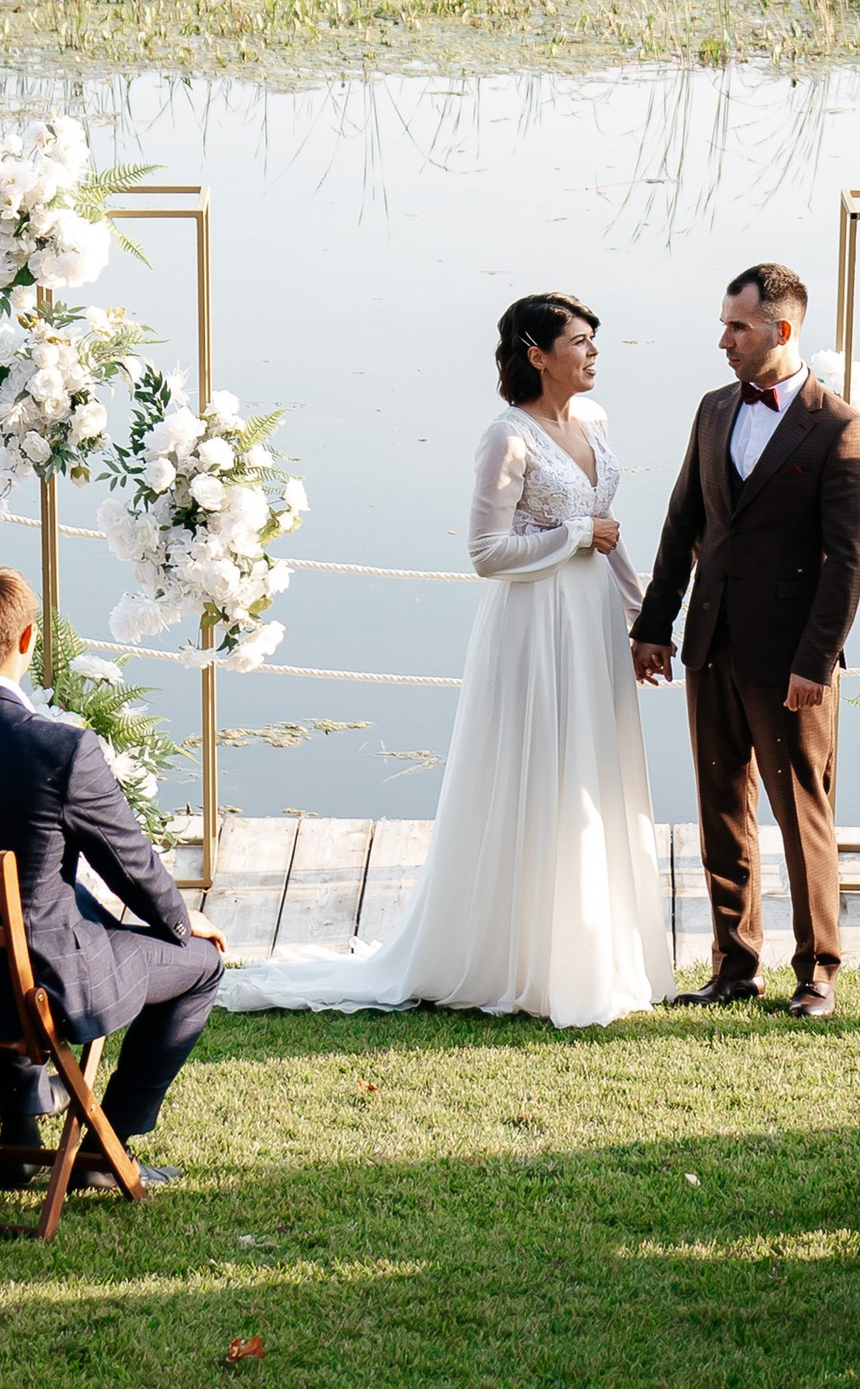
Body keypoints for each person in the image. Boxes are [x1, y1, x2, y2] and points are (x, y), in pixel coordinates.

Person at [237, 293, 674, 1027]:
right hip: (536, 627)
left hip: (593, 619)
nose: (594, 353)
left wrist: (645, 618)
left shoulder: (594, 423)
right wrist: (572, 536)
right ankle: (527, 961)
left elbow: (610, 531)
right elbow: (487, 554)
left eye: (595, 340)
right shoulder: (507, 438)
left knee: (593, 772)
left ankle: (595, 951)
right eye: (579, 341)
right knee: (544, 771)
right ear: (537, 355)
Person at [0, 568, 227, 1185]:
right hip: (37, 989)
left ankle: (21, 1124)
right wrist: (178, 918)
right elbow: (131, 861)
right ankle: (104, 1149)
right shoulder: (61, 750)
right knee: (201, 966)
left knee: (52, 905)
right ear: (30, 639)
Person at [632, 262, 860, 1019]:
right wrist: (654, 624)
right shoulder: (712, 411)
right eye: (724, 324)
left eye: (737, 327)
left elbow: (849, 563)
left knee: (801, 812)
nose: (724, 340)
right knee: (720, 810)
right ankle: (735, 965)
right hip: (711, 645)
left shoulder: (841, 428)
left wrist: (815, 663)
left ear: (783, 330)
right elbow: (684, 525)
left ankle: (818, 973)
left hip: (790, 665)